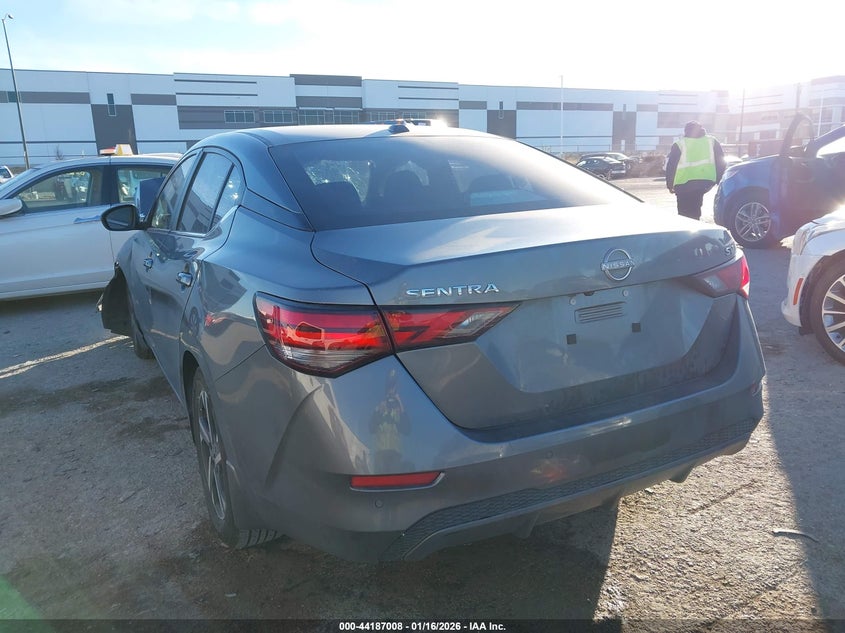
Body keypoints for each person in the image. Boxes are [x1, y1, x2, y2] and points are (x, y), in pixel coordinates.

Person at [665, 120, 726, 220]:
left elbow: (671, 166)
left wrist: (670, 184)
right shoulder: (711, 141)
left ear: (686, 131)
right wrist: (717, 179)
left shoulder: (680, 144)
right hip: (704, 182)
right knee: (696, 210)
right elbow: (721, 161)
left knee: (683, 214)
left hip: (683, 184)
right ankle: (695, 225)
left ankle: (687, 227)